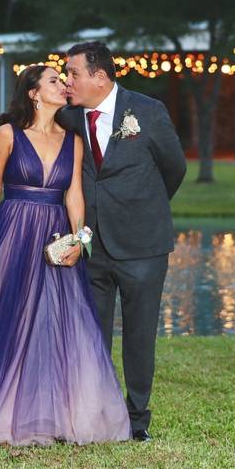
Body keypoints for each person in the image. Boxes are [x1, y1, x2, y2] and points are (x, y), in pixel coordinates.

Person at [0, 64, 130, 446]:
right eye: (55, 81)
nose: (64, 86)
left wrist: (79, 239)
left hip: (55, 234)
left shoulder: (73, 140)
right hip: (12, 231)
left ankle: (60, 412)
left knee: (57, 321)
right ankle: (0, 411)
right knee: (8, 316)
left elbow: (74, 192)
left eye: (64, 80)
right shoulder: (7, 134)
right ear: (33, 92)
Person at [60, 41, 186, 441]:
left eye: (74, 73)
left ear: (100, 77)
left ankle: (136, 420)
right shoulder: (68, 117)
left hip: (143, 245)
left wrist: (141, 208)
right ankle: (97, 412)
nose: (68, 81)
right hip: (91, 244)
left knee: (139, 332)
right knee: (92, 333)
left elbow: (175, 169)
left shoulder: (148, 111)